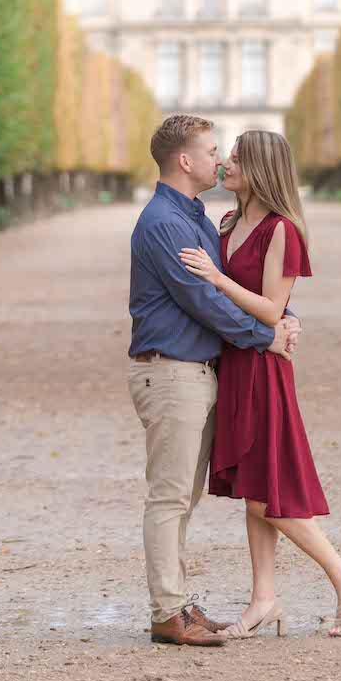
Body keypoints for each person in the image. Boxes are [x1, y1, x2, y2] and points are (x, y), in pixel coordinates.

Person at [179, 129, 341, 639]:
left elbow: (269, 307)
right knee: (253, 490)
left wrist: (219, 279)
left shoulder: (282, 230)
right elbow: (264, 312)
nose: (224, 163)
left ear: (260, 168)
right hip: (236, 362)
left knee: (268, 494)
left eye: (236, 158)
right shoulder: (227, 223)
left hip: (263, 369)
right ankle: (264, 599)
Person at [128, 114, 301, 648]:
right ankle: (166, 612)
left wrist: (283, 316)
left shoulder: (197, 217)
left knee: (183, 498)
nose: (220, 158)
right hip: (172, 371)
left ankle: (176, 602)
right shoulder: (165, 223)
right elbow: (204, 300)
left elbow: (237, 285)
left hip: (195, 372)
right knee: (170, 498)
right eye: (210, 150)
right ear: (184, 161)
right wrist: (264, 337)